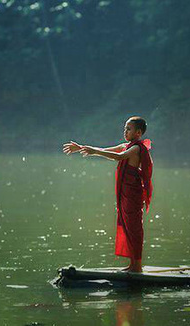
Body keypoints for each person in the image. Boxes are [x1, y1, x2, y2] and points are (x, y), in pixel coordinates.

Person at [62, 116, 153, 272]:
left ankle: (137, 267)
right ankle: (132, 264)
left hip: (133, 194)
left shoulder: (136, 148)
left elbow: (118, 157)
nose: (125, 131)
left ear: (138, 132)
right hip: (125, 193)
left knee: (134, 228)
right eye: (125, 128)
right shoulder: (126, 145)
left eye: (129, 129)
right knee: (127, 226)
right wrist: (82, 148)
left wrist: (93, 151)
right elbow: (105, 150)